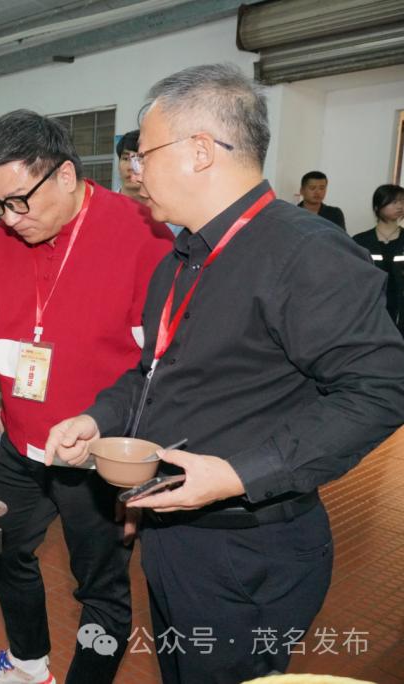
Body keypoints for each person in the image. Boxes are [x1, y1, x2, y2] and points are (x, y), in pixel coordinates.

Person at [45, 64, 404, 684]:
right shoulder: (181, 260)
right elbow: (151, 372)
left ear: (201, 151)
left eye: (144, 154)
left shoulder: (305, 253)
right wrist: (96, 417)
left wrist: (240, 473)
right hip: (173, 531)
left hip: (249, 551)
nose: (134, 173)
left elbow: (380, 388)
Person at [0, 109, 173, 684]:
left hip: (96, 455)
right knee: (6, 551)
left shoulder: (142, 234)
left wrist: (137, 468)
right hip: (21, 443)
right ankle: (28, 663)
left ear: (65, 175)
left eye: (19, 201)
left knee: (99, 586)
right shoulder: (6, 238)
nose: (8, 217)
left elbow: (160, 366)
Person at [352, 184, 404, 335]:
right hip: (369, 309)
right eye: (393, 202)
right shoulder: (361, 240)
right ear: (377, 206)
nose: (400, 206)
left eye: (402, 201)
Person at [115, 130, 142, 201]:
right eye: (126, 159)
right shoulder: (104, 207)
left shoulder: (166, 209)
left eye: (139, 159)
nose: (131, 167)